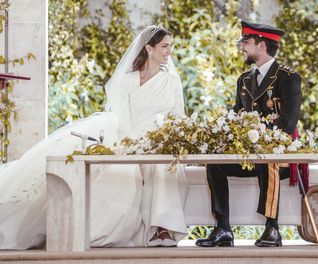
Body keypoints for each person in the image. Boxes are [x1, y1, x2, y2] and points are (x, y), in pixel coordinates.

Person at [0, 25, 188, 249]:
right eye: (165, 46)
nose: (169, 51)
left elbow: (178, 117)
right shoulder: (125, 81)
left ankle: (162, 227)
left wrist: (165, 140)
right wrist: (138, 144)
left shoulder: (172, 81)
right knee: (118, 168)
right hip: (124, 136)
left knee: (161, 164)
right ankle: (88, 229)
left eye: (170, 46)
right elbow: (122, 118)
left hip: (156, 139)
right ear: (149, 48)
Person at [196, 21, 302, 248]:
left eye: (247, 42)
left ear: (261, 45)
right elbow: (236, 114)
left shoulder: (288, 77)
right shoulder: (244, 79)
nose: (242, 47)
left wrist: (262, 144)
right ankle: (223, 228)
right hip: (250, 153)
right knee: (215, 162)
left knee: (269, 159)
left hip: (279, 155)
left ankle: (272, 228)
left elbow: (288, 121)